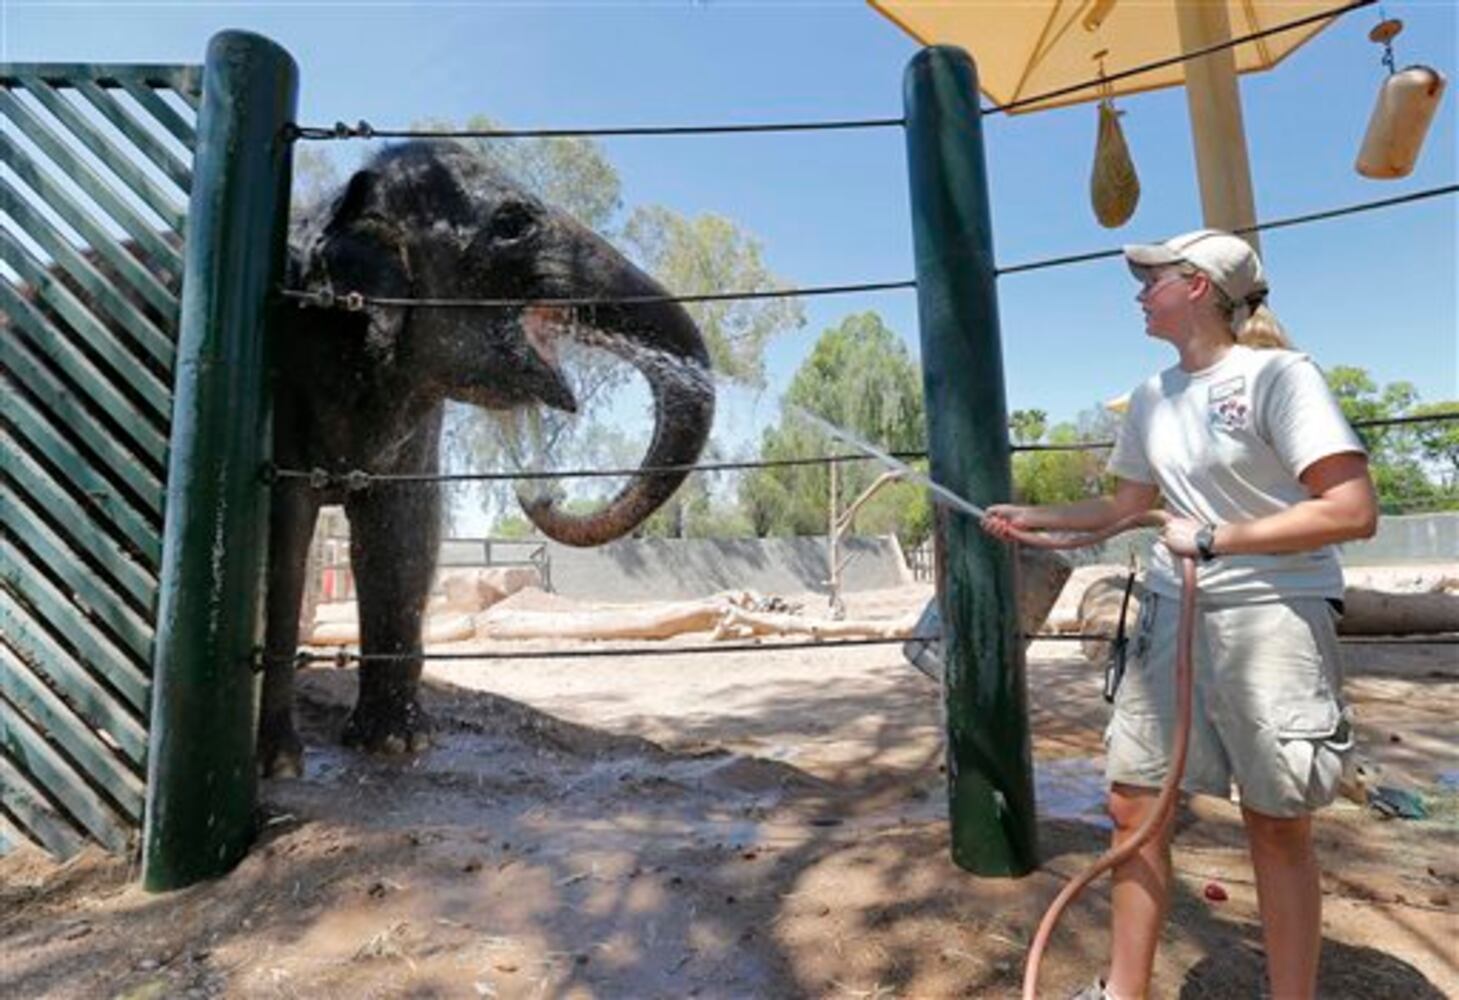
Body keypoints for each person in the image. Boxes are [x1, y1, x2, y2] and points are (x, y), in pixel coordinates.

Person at [984, 230, 1378, 1000]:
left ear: (1196, 285)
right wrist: (1033, 518)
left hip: (1273, 613)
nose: (1138, 293)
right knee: (1131, 800)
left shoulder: (1278, 377)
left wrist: (1215, 537)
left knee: (1273, 818)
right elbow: (1122, 508)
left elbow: (1351, 509)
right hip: (1171, 609)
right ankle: (1122, 991)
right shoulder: (1153, 395)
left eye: (1151, 279)